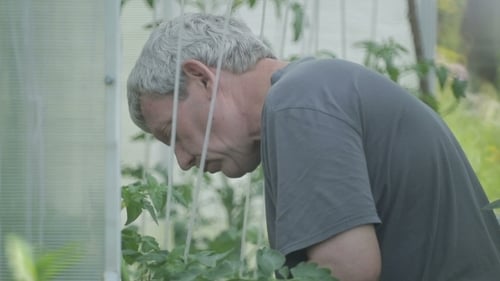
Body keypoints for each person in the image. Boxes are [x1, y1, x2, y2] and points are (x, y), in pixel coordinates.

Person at [127, 13, 500, 281]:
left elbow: (346, 272)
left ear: (201, 78)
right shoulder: (311, 92)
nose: (183, 161)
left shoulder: (297, 102)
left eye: (173, 132)